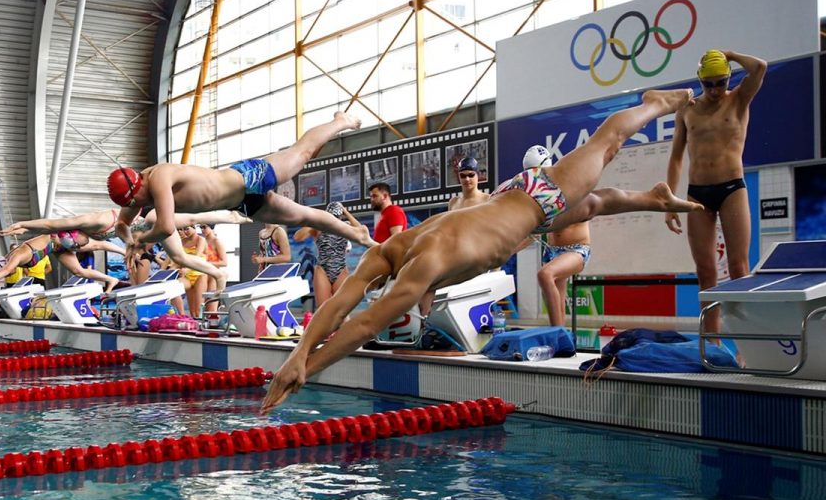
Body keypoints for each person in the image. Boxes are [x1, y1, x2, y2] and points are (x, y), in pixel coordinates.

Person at [261, 89, 698, 414]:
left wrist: (308, 368)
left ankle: (656, 104)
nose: (399, 294)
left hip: (536, 197)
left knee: (606, 143)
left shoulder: (421, 266)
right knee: (597, 203)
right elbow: (338, 307)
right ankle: (655, 197)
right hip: (517, 204)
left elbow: (363, 326)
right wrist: (298, 354)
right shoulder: (392, 249)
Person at [108, 112, 374, 269]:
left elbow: (165, 227)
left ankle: (341, 121)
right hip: (242, 204)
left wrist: (141, 241)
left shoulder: (159, 177)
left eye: (137, 201)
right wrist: (130, 241)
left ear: (137, 184)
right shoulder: (135, 194)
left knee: (301, 153)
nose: (139, 205)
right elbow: (122, 223)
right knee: (306, 216)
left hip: (248, 178)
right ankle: (360, 236)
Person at [666, 49, 766, 338]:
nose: (714, 90)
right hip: (697, 194)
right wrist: (671, 202)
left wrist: (731, 54)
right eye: (708, 84)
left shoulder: (738, 99)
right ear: (700, 80)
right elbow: (675, 158)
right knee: (705, 270)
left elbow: (760, 66)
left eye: (719, 82)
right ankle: (712, 342)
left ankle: (748, 340)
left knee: (739, 266)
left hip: (732, 188)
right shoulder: (688, 109)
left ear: (728, 78)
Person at [0, 209, 250, 292]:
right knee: (179, 257)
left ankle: (231, 216)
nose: (78, 247)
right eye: (76, 247)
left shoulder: (91, 221)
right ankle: (219, 275)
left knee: (188, 219)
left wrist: (24, 224)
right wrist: (129, 249)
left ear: (75, 233)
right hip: (146, 233)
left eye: (76, 244)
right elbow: (114, 241)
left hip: (149, 220)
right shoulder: (88, 238)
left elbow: (50, 223)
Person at [519, 146, 591, 328]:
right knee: (558, 304)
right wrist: (506, 253)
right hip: (552, 252)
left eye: (535, 172)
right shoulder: (539, 196)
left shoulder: (569, 189)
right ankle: (560, 336)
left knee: (545, 274)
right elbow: (532, 233)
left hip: (577, 250)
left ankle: (558, 337)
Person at [0, 231, 125, 305]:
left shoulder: (15, 257)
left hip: (60, 239)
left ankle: (125, 251)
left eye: (9, 270)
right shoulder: (5, 261)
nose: (11, 273)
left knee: (96, 245)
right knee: (79, 271)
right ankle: (111, 279)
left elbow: (3, 271)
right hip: (55, 249)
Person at [294, 202, 362, 308]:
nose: (334, 220)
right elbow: (297, 237)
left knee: (341, 310)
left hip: (341, 270)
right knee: (323, 309)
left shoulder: (346, 226)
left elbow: (361, 231)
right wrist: (315, 220)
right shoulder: (319, 227)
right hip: (322, 270)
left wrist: (346, 212)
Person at [199, 224, 228, 314]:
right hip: (203, 275)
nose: (202, 230)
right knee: (200, 308)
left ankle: (213, 324)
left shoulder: (216, 241)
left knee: (211, 309)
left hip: (214, 276)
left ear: (211, 227)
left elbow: (224, 262)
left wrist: (206, 264)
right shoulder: (201, 241)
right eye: (200, 227)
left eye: (204, 227)